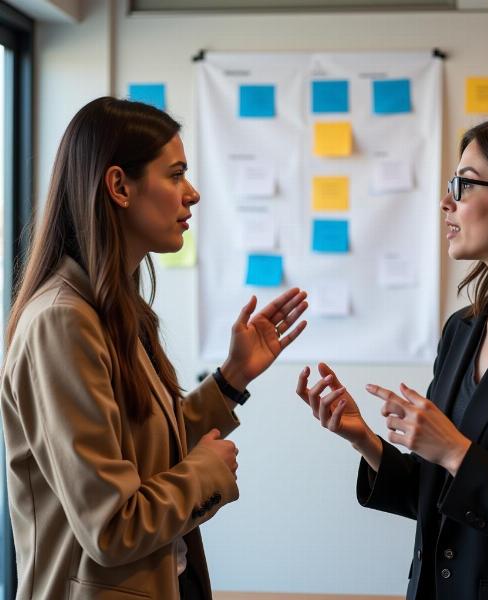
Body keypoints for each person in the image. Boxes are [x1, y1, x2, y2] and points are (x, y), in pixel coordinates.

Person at [1, 96, 307, 600]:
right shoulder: (62, 321)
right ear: (120, 186)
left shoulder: (112, 307)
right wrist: (207, 471)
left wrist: (231, 378)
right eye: (176, 175)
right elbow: (113, 526)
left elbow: (143, 458)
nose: (193, 194)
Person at [297, 114, 488, 600]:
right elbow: (445, 497)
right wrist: (367, 442)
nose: (446, 201)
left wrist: (456, 451)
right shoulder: (463, 329)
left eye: (463, 184)